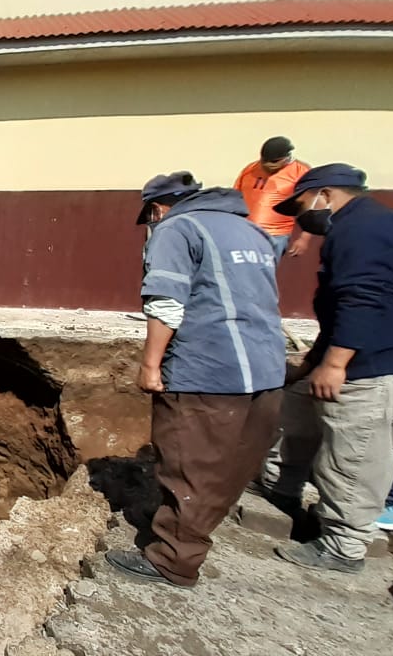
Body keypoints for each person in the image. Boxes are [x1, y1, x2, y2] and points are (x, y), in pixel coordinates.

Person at [105, 171, 285, 588]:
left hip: (207, 370)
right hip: (266, 371)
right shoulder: (251, 231)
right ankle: (194, 534)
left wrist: (151, 364)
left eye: (151, 216)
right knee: (230, 466)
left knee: (190, 465)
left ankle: (173, 560)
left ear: (157, 208)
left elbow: (167, 302)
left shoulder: (177, 228)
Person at [264, 163, 393, 573]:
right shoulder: (354, 227)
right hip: (344, 352)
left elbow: (364, 300)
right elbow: (338, 308)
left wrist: (337, 363)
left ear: (325, 194)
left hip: (367, 365)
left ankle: (343, 545)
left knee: (352, 453)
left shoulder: (364, 230)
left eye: (301, 203)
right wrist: (310, 363)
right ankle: (280, 489)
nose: (302, 214)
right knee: (296, 409)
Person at [233, 136, 312, 259]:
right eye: (264, 160)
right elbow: (235, 197)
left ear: (287, 157)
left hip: (277, 235)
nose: (268, 165)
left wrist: (304, 238)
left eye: (274, 161)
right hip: (246, 232)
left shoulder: (301, 172)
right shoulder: (250, 169)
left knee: (267, 272)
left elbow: (310, 207)